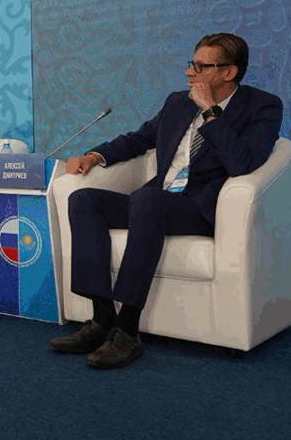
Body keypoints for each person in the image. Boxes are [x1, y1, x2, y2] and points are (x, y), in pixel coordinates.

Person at [49, 33, 283, 369]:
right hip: (156, 201)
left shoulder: (262, 107)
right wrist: (94, 156)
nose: (190, 72)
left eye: (201, 66)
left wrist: (211, 112)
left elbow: (242, 163)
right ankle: (102, 318)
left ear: (228, 72)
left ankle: (127, 331)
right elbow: (139, 139)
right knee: (85, 200)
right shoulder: (177, 101)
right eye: (191, 64)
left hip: (201, 208)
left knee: (148, 201)